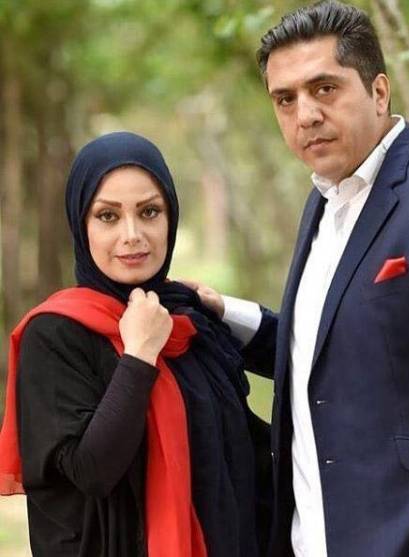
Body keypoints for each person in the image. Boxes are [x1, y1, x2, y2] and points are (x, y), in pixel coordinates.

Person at [192, 2, 409, 556]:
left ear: (379, 92)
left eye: (324, 89)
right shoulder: (322, 201)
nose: (306, 114)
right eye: (285, 99)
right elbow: (344, 353)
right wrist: (228, 315)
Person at [0, 132, 267, 557]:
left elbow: (249, 455)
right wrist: (139, 356)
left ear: (171, 218)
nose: (132, 234)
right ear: (81, 225)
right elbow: (91, 472)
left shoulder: (190, 322)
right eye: (108, 216)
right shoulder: (55, 334)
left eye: (149, 212)